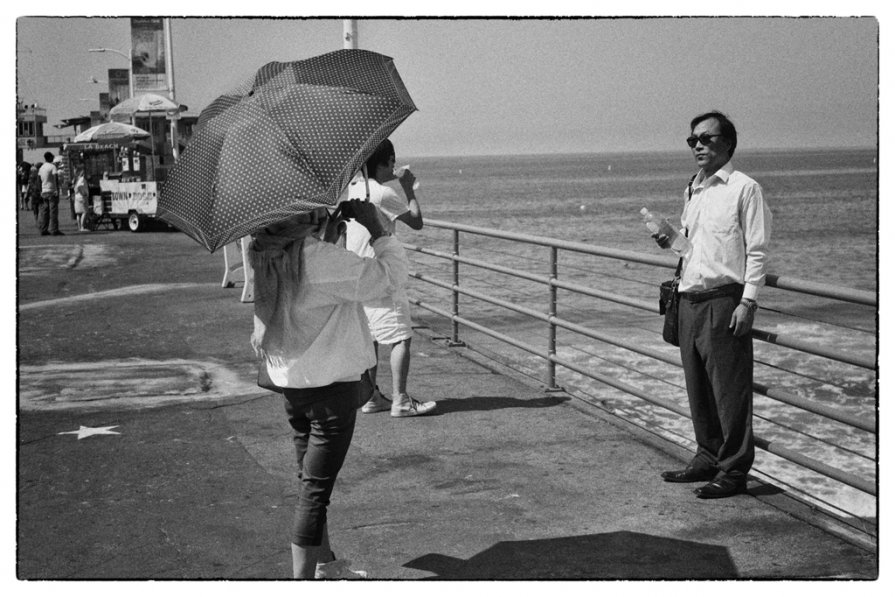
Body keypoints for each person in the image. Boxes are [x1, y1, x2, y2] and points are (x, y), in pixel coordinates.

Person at [249, 198, 408, 579]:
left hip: (294, 387)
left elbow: (314, 294)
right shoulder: (317, 258)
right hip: (331, 391)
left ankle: (326, 565)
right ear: (307, 212)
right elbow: (389, 281)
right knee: (315, 493)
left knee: (309, 481)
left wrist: (328, 241)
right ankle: (302, 581)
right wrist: (378, 228)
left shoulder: (267, 254)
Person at [657, 111, 772, 499]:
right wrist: (670, 240)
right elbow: (691, 247)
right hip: (689, 298)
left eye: (705, 139)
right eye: (692, 141)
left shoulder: (745, 189)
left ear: (728, 143)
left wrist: (749, 302)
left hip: (725, 300)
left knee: (730, 391)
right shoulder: (693, 188)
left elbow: (756, 251)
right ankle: (707, 456)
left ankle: (734, 470)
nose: (698, 146)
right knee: (698, 388)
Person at [345, 139, 436, 418]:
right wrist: (408, 188)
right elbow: (416, 221)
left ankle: (371, 396)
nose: (393, 167)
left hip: (358, 273)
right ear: (383, 162)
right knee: (401, 337)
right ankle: (401, 401)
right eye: (391, 162)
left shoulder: (353, 190)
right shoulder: (383, 193)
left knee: (370, 337)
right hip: (383, 271)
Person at [37, 152, 63, 236]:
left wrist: (41, 190)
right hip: (52, 191)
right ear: (50, 158)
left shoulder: (41, 167)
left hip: (44, 191)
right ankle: (54, 229)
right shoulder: (53, 167)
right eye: (52, 156)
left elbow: (38, 180)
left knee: (45, 212)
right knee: (53, 212)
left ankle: (43, 229)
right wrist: (57, 190)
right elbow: (55, 179)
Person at [73, 168, 90, 232]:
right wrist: (84, 194)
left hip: (77, 197)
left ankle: (79, 227)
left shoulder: (76, 179)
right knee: (84, 212)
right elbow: (80, 187)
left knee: (78, 213)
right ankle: (82, 227)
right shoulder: (82, 179)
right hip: (82, 197)